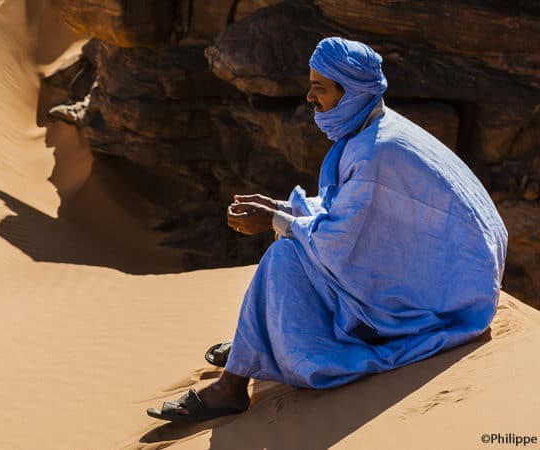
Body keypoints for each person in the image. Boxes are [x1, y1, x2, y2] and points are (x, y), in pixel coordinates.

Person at [147, 37, 507, 423]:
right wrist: (281, 208)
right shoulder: (379, 127)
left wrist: (275, 221)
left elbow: (336, 242)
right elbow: (356, 216)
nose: (309, 97)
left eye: (319, 88)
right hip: (455, 279)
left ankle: (231, 388)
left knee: (287, 256)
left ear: (349, 91)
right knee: (295, 244)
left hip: (448, 297)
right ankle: (258, 342)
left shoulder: (374, 152)